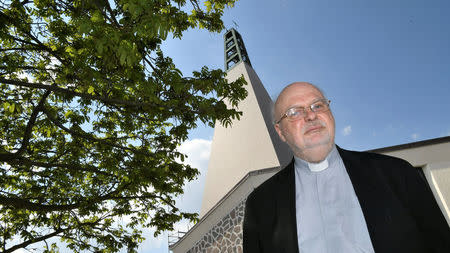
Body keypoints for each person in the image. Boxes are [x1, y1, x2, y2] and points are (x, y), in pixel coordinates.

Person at [243, 82, 450, 253]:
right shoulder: (260, 205)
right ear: (280, 132)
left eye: (318, 105)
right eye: (295, 112)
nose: (311, 115)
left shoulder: (396, 173)